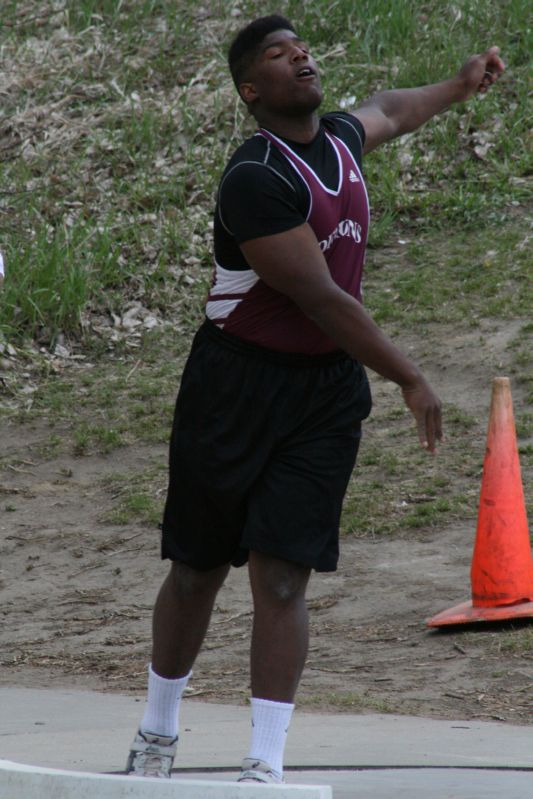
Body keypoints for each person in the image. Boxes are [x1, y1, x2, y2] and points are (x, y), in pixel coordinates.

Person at [125, 14, 504, 784]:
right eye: (275, 53)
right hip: (234, 386)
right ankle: (156, 734)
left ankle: (264, 762)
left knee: (285, 573)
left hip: (323, 393)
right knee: (198, 568)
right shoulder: (254, 180)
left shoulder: (335, 139)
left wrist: (458, 86)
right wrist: (408, 374)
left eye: (300, 46)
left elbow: (392, 108)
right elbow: (322, 298)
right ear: (251, 90)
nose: (298, 55)